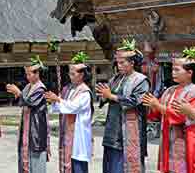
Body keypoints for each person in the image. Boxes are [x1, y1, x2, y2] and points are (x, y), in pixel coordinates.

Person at [96, 38, 149, 173]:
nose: (118, 65)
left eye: (122, 62)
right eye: (117, 62)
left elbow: (134, 101)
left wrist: (111, 96)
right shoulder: (116, 78)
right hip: (112, 127)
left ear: (131, 63)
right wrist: (103, 96)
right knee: (110, 165)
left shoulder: (141, 80)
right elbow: (107, 95)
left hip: (129, 128)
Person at [143, 47, 195, 173]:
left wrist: (159, 106)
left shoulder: (193, 92)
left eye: (177, 70)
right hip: (167, 138)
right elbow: (157, 114)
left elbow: (181, 117)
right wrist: (151, 105)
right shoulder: (169, 90)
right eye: (172, 69)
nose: (173, 72)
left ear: (190, 73)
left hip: (186, 140)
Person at [45, 52, 93, 173]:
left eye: (73, 74)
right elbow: (61, 107)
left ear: (81, 75)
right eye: (69, 73)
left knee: (78, 165)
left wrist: (58, 99)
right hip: (68, 132)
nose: (70, 76)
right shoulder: (69, 89)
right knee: (68, 164)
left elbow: (73, 107)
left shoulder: (85, 92)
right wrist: (53, 102)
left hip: (78, 135)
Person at [7, 55, 50, 173]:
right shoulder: (28, 86)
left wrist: (18, 93)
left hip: (36, 127)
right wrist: (18, 94)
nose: (28, 77)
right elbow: (23, 101)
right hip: (26, 126)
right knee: (24, 154)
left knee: (36, 157)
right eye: (26, 74)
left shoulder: (41, 89)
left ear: (37, 74)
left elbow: (30, 102)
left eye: (30, 74)